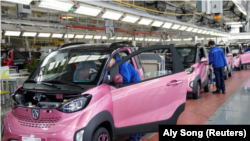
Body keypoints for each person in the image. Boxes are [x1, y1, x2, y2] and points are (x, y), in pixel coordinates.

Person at [108, 56, 142, 141]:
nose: (107, 65)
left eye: (107, 62)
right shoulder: (115, 65)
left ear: (112, 59)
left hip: (135, 92)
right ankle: (137, 137)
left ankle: (134, 139)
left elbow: (125, 79)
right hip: (129, 92)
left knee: (134, 116)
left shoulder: (122, 64)